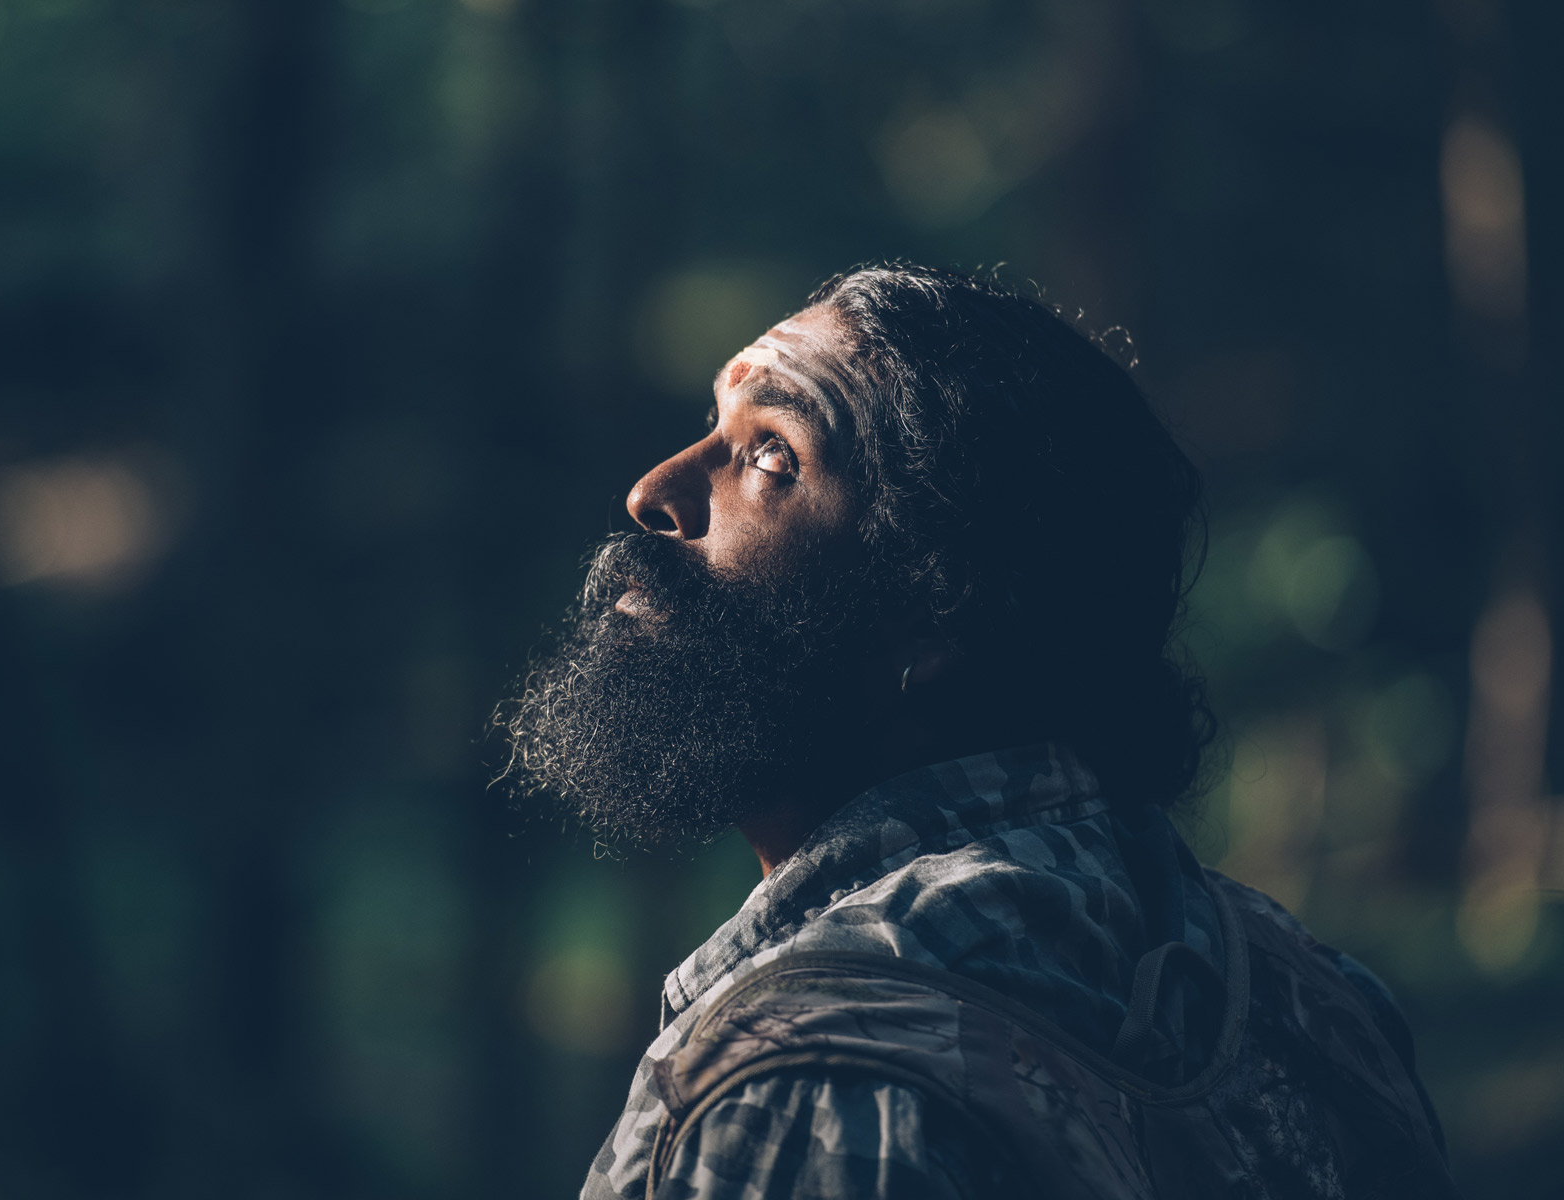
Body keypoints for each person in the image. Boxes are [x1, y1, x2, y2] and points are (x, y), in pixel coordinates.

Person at [499, 264, 1455, 1200]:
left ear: (933, 602)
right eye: (714, 425)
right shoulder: (1312, 999)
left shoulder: (810, 1101)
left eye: (771, 454)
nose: (655, 488)